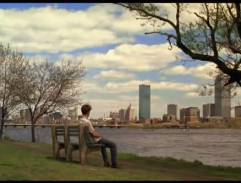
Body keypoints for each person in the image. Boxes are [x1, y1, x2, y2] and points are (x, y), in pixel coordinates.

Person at [79, 103, 118, 168]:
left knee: (103, 144)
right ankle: (114, 164)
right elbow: (94, 134)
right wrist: (101, 136)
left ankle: (106, 163)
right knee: (113, 145)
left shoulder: (80, 121)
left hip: (85, 140)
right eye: (89, 111)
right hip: (92, 141)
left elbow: (90, 132)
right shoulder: (87, 122)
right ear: (88, 112)